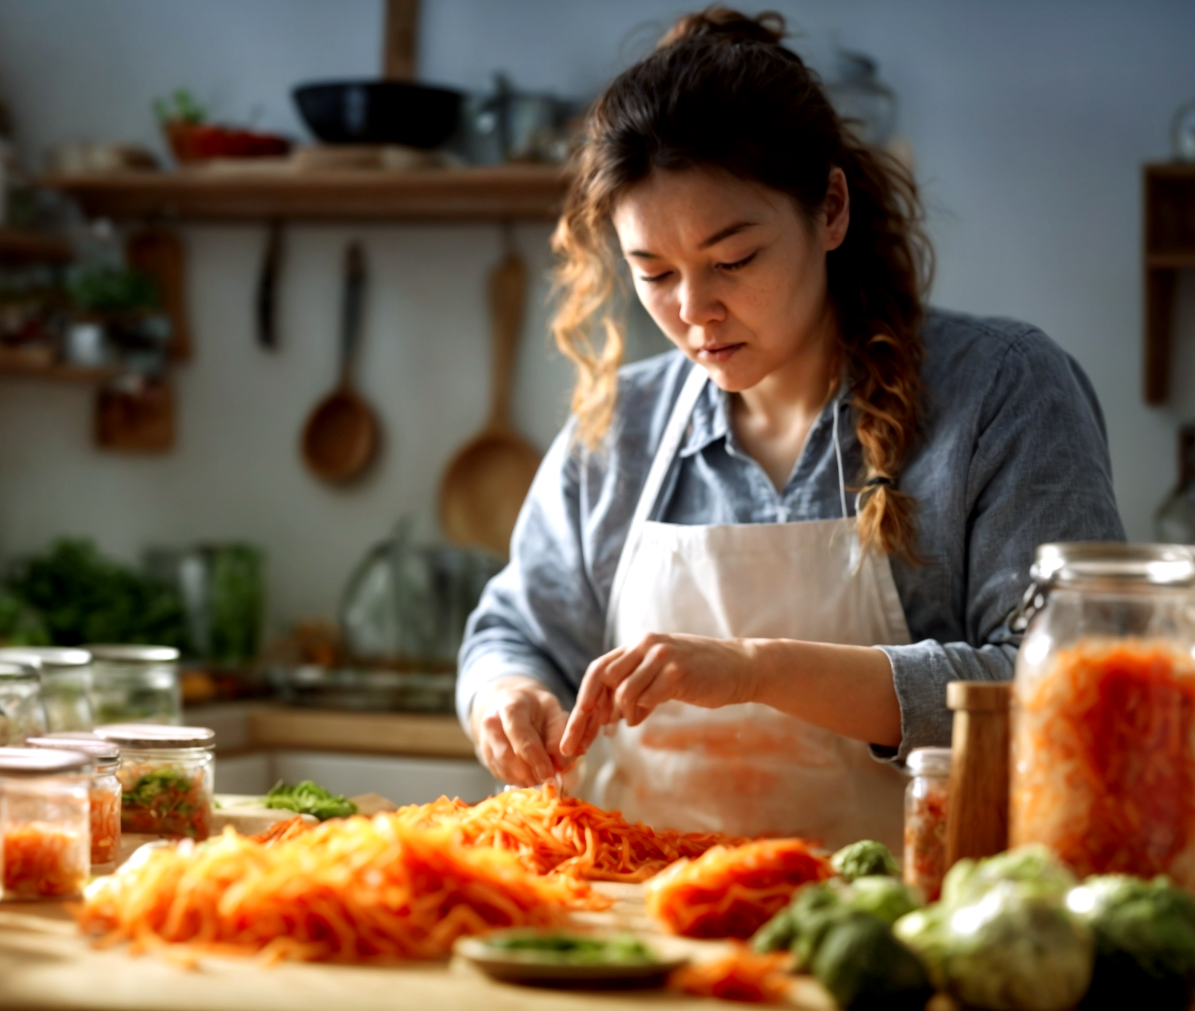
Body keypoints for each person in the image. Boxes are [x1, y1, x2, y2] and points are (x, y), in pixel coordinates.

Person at [456, 8, 1124, 848]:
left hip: (908, 931)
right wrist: (504, 694)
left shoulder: (1000, 390)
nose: (695, 311)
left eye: (733, 260)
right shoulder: (618, 426)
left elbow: (1060, 688)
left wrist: (756, 668)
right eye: (654, 273)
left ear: (831, 208)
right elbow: (513, 630)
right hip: (645, 928)